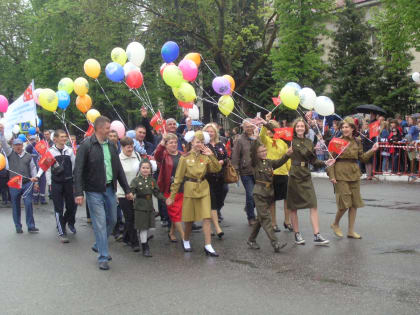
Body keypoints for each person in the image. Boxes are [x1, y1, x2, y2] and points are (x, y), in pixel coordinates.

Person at [74, 116, 133, 270]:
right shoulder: (86, 146)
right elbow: (78, 171)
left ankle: (98, 244)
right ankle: (103, 256)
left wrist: (127, 190)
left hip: (109, 189)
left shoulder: (112, 146)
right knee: (99, 223)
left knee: (112, 220)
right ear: (99, 128)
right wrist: (78, 192)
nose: (110, 131)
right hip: (93, 191)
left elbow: (118, 169)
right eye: (107, 128)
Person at [167, 130, 222, 256]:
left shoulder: (206, 156)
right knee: (189, 220)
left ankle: (208, 245)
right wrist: (172, 196)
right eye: (197, 142)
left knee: (207, 218)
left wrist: (212, 155)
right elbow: (178, 178)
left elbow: (217, 169)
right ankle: (185, 240)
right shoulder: (184, 158)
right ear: (192, 142)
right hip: (190, 189)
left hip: (203, 188)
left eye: (202, 142)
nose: (200, 144)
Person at [328, 117, 379, 239]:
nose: (344, 129)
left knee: (354, 204)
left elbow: (362, 158)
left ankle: (351, 231)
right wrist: (332, 175)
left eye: (347, 127)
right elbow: (330, 160)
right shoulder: (336, 141)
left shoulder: (357, 141)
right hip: (340, 173)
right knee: (344, 204)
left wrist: (372, 150)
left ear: (352, 128)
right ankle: (335, 223)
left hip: (354, 173)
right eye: (343, 127)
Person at [287, 118, 335, 246]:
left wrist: (325, 162)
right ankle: (297, 234)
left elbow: (314, 160)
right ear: (294, 128)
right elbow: (274, 131)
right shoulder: (290, 141)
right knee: (293, 206)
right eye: (297, 126)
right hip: (294, 174)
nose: (300, 128)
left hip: (305, 174)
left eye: (302, 126)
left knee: (313, 204)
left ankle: (317, 235)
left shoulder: (309, 142)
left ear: (305, 128)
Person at [247, 140, 291, 252]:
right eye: (261, 151)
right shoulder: (255, 163)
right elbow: (252, 151)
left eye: (265, 150)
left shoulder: (268, 162)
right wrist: (256, 137)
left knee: (260, 219)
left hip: (268, 193)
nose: (263, 152)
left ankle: (251, 240)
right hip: (259, 193)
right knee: (266, 218)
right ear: (256, 153)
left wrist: (287, 154)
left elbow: (280, 161)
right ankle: (275, 243)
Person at [36, 130, 77, 243]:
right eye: (62, 137)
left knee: (71, 207)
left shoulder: (69, 151)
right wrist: (39, 177)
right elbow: (44, 167)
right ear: (56, 139)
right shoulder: (50, 152)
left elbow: (74, 165)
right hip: (56, 183)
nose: (65, 139)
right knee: (58, 208)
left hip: (68, 182)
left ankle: (65, 222)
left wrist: (73, 179)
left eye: (65, 137)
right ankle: (62, 232)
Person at [0, 125, 39, 233]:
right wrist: (2, 133)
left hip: (26, 183)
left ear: (22, 145)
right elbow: (3, 143)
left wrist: (35, 179)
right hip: (14, 183)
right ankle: (18, 226)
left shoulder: (28, 155)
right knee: (16, 205)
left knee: (28, 204)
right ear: (12, 146)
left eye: (19, 145)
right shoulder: (10, 153)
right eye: (16, 145)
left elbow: (33, 168)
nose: (18, 147)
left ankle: (31, 226)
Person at [260, 113, 292, 232]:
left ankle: (287, 221)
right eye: (269, 129)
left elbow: (287, 157)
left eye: (272, 129)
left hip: (283, 174)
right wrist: (265, 124)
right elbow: (262, 135)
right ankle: (273, 223)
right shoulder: (266, 141)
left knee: (287, 199)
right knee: (272, 200)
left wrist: (290, 170)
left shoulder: (282, 142)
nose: (270, 132)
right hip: (270, 174)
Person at [154, 132, 185, 242]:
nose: (173, 144)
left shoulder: (182, 154)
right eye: (171, 142)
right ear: (166, 145)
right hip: (168, 189)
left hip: (181, 189)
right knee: (175, 213)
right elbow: (156, 155)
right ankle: (184, 238)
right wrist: (162, 142)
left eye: (175, 142)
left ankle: (171, 232)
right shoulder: (163, 155)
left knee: (177, 213)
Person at [131, 160, 165, 257]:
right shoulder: (136, 180)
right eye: (143, 168)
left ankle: (144, 239)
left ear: (151, 170)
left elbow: (157, 192)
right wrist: (130, 195)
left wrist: (165, 200)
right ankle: (145, 247)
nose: (145, 170)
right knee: (143, 227)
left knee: (147, 226)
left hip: (149, 206)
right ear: (140, 169)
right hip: (140, 206)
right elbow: (132, 190)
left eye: (147, 168)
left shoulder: (152, 181)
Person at [203, 123, 228, 238]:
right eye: (207, 131)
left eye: (212, 131)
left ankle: (216, 214)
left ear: (215, 132)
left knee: (221, 195)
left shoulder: (220, 144)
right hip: (208, 178)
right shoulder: (204, 146)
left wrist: (223, 162)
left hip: (221, 177)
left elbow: (226, 158)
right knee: (211, 201)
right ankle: (216, 227)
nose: (210, 133)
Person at [117, 136, 142, 252]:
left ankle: (126, 237)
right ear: (122, 147)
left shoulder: (137, 155)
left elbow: (141, 171)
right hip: (123, 193)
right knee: (130, 217)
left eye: (132, 146)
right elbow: (116, 178)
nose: (130, 149)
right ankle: (134, 242)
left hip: (136, 192)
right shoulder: (118, 159)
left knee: (134, 217)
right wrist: (121, 193)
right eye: (128, 147)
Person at [231, 119, 257, 225]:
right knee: (250, 194)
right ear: (243, 127)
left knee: (257, 195)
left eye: (251, 126)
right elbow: (235, 155)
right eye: (247, 126)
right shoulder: (240, 140)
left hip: (257, 171)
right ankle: (251, 217)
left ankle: (248, 207)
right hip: (246, 172)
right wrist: (235, 169)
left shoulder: (256, 137)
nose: (249, 128)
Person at [26, 135, 48, 205]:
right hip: (34, 171)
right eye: (32, 139)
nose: (34, 140)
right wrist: (33, 143)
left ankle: (42, 199)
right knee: (35, 184)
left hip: (42, 170)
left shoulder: (42, 147)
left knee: (43, 184)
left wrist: (39, 140)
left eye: (35, 139)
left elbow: (45, 143)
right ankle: (35, 199)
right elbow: (27, 148)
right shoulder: (31, 148)